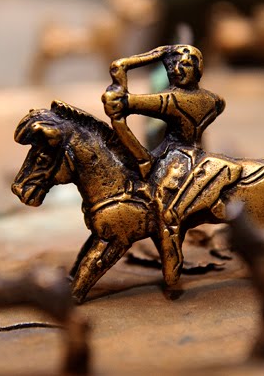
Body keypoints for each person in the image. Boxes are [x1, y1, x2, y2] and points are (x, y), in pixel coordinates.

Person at [102, 44, 241, 289]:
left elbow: (127, 103)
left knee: (168, 215)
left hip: (177, 160)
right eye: (172, 66)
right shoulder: (215, 101)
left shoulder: (174, 99)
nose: (177, 70)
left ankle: (172, 272)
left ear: (198, 69)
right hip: (188, 154)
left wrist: (122, 78)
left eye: (185, 64)